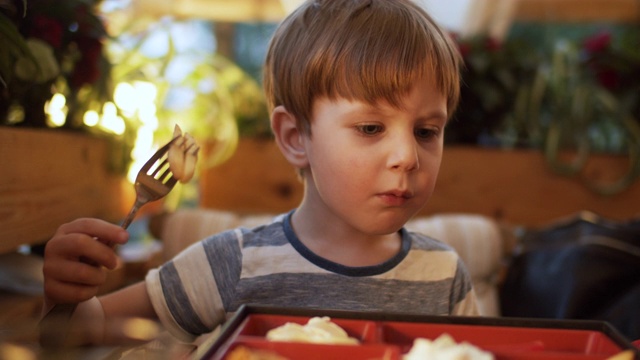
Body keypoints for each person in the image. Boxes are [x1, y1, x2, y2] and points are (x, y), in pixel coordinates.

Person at [41, 0, 478, 346]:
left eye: (426, 131)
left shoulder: (444, 274)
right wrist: (64, 298)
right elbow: (85, 332)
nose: (407, 156)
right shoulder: (231, 264)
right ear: (294, 137)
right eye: (370, 128)